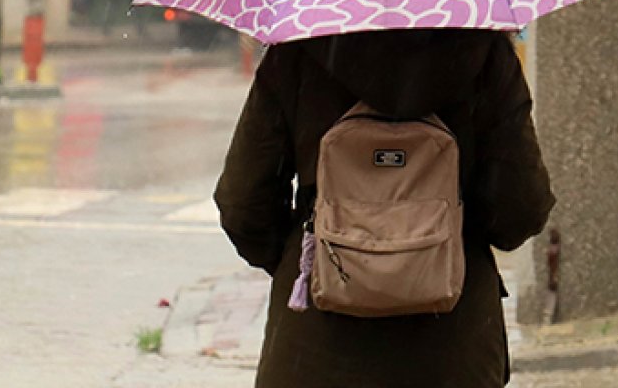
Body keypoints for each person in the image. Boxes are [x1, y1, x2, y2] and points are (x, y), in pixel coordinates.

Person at [215, 29, 554, 388]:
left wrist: (314, 256)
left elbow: (243, 203)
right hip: (451, 349)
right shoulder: (484, 54)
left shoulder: (296, 52)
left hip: (315, 350)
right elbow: (520, 209)